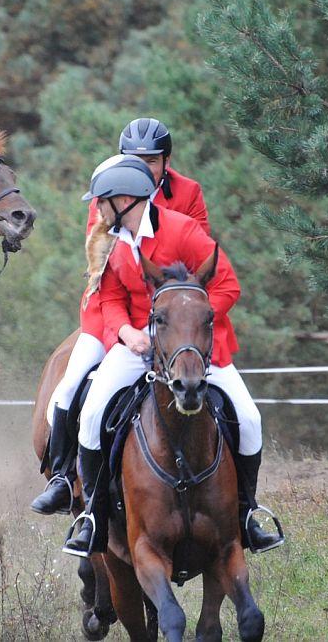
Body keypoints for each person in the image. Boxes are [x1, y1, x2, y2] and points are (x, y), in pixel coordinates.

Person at [61, 155, 281, 556]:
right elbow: (108, 296)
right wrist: (127, 332)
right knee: (92, 414)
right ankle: (92, 516)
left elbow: (227, 285)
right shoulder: (108, 239)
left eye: (102, 201)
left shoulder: (182, 230)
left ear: (125, 200)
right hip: (139, 344)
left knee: (249, 418)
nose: (97, 208)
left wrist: (188, 324)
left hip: (192, 347)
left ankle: (248, 513)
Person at [31, 118, 211, 516]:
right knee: (69, 387)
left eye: (151, 159)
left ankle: (236, 500)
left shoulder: (189, 194)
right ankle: (63, 476)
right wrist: (126, 331)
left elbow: (198, 261)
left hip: (174, 318)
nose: (144, 167)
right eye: (135, 159)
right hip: (111, 313)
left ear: (166, 160)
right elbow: (101, 266)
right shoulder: (108, 192)